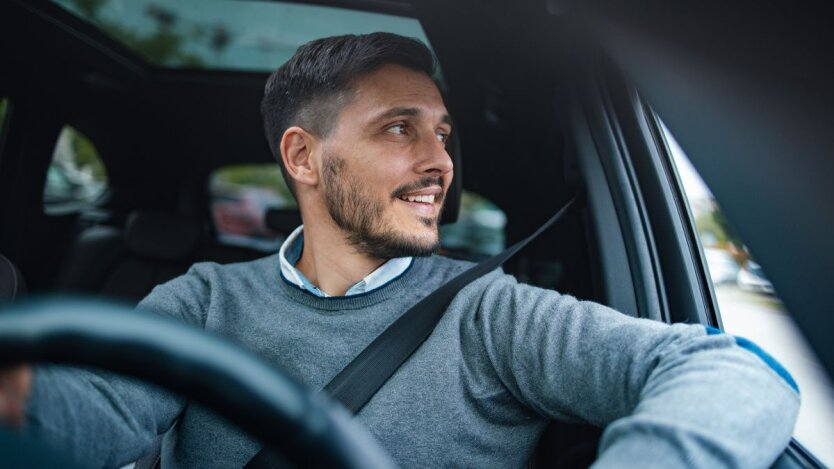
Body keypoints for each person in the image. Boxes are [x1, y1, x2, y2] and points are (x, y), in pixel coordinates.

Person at [0, 32, 799, 468]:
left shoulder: (491, 313)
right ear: (304, 158)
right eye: (398, 129)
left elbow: (736, 368)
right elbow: (82, 417)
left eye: (443, 133)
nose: (441, 163)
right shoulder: (202, 299)